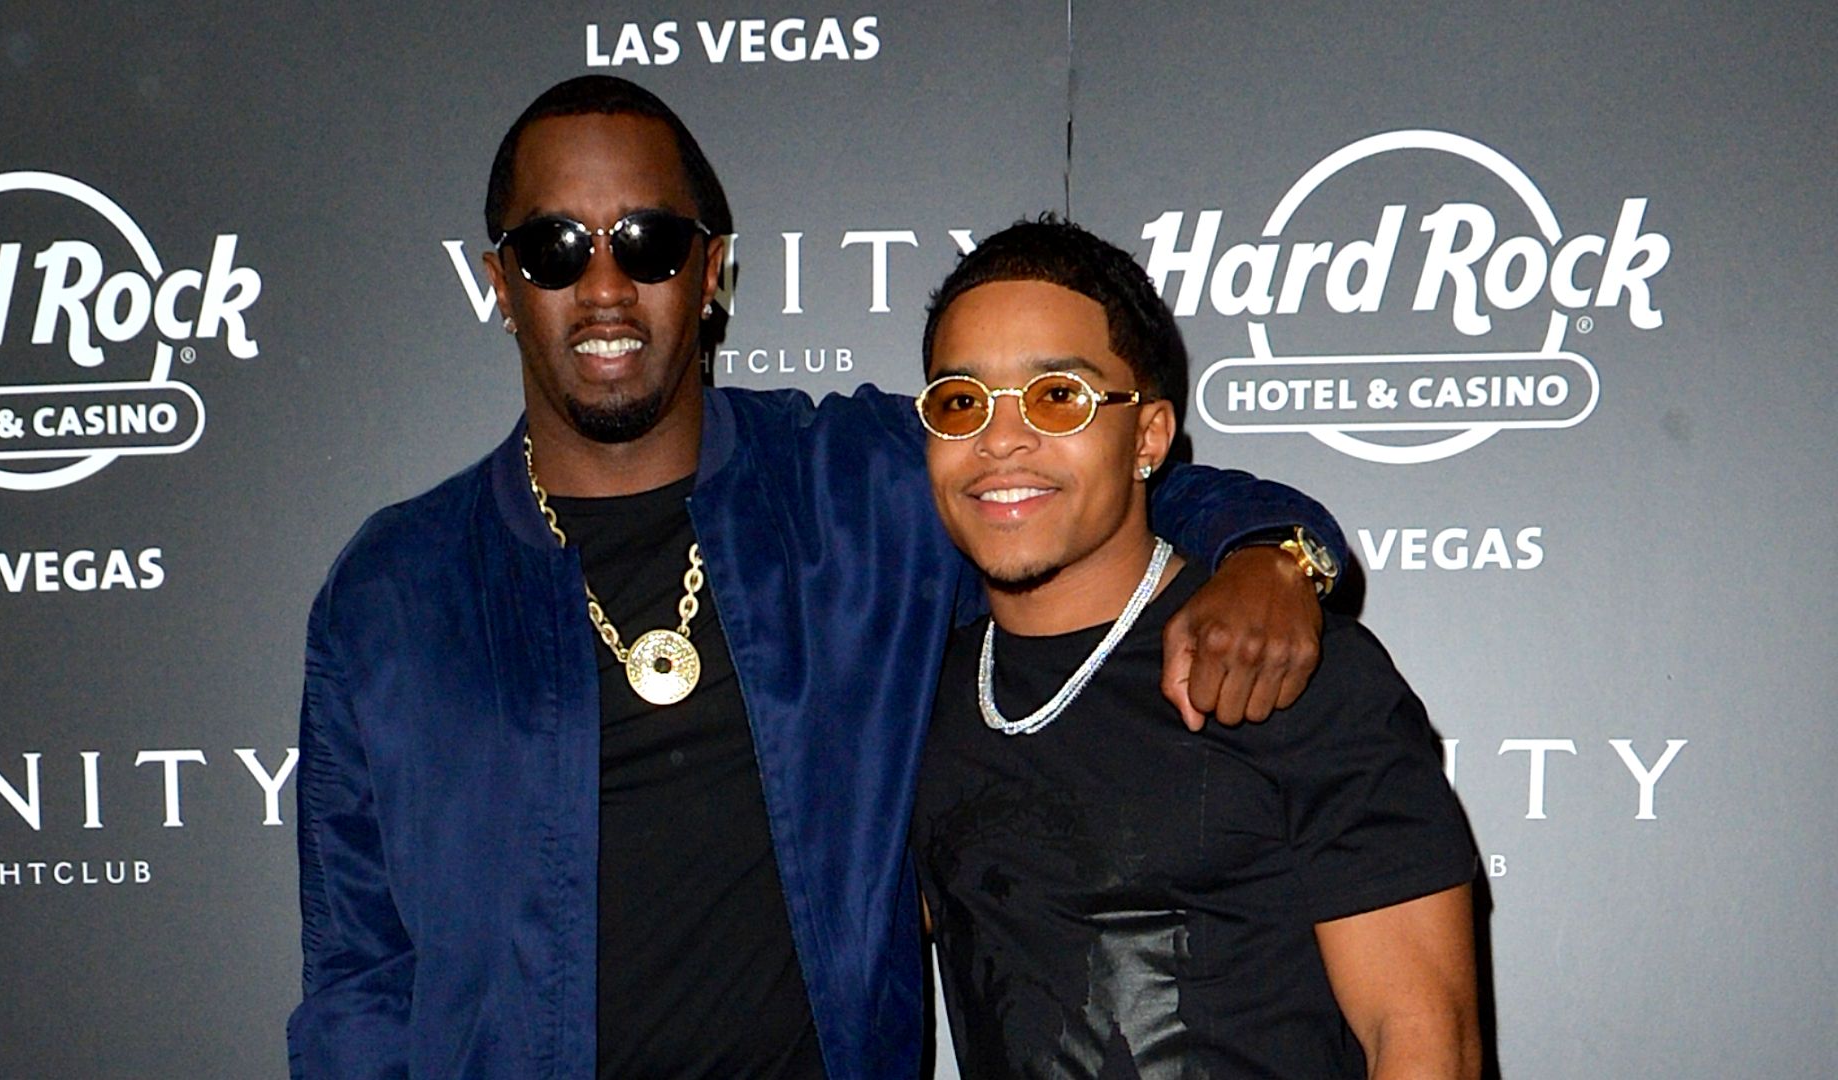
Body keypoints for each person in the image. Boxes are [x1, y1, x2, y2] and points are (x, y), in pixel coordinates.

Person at [289, 77, 1348, 1078]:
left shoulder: (857, 488)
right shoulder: (394, 592)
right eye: (555, 247)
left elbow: (1104, 482)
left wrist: (1273, 548)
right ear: (501, 285)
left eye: (650, 244)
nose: (605, 286)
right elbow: (357, 977)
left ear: (711, 274)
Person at [911, 218, 1480, 1078]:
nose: (1000, 439)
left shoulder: (1288, 666)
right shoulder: (918, 696)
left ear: (1147, 437)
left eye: (1056, 395)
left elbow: (1424, 1039)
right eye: (962, 402)